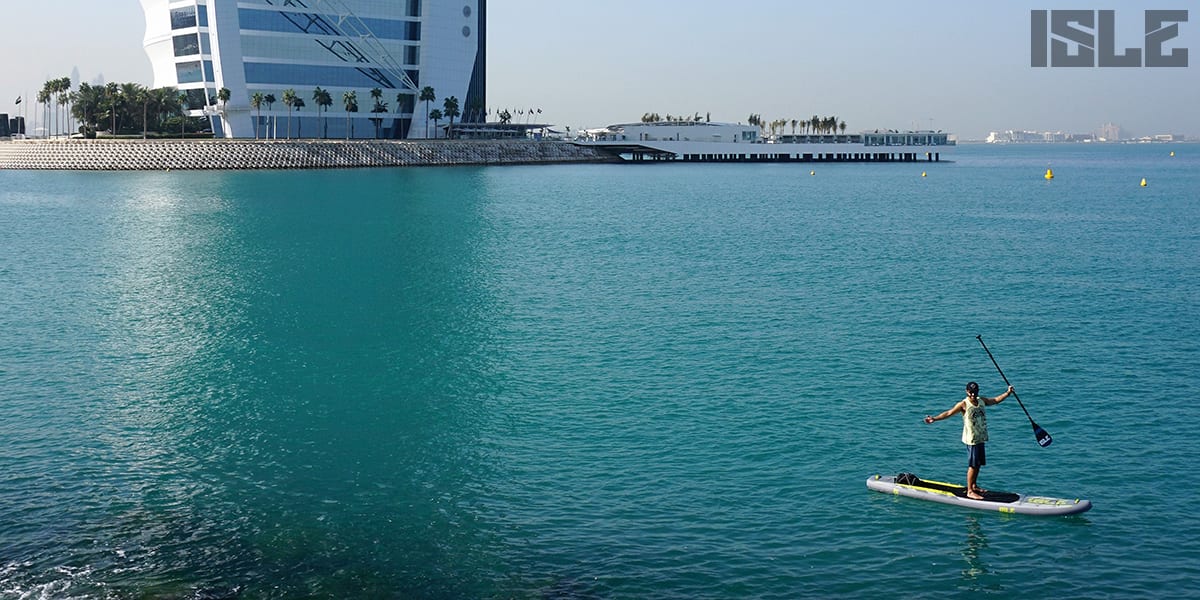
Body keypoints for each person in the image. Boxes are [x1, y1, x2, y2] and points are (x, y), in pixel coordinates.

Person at [924, 381, 1014, 500]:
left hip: (981, 437)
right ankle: (970, 491)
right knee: (973, 465)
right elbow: (949, 413)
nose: (972, 395)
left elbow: (995, 400)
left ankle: (974, 485)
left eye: (975, 392)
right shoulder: (963, 404)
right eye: (971, 392)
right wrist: (934, 419)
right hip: (971, 440)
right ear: (967, 391)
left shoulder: (981, 400)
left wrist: (1008, 393)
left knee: (978, 465)